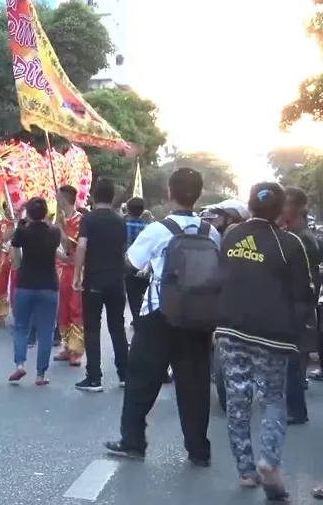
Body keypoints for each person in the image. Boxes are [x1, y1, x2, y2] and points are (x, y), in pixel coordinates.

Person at [105, 167, 219, 466]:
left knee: (142, 379)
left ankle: (133, 440)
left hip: (159, 314)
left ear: (170, 192)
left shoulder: (158, 230)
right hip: (200, 319)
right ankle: (198, 449)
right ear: (198, 194)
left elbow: (131, 261)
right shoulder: (212, 233)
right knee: (194, 385)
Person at [216, 183, 313, 500]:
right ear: (281, 208)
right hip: (272, 336)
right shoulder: (290, 244)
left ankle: (245, 471)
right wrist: (295, 333)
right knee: (272, 400)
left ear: (249, 205)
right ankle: (268, 461)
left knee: (238, 399)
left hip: (231, 330)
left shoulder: (230, 236)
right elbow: (303, 296)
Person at [73, 179, 129, 392]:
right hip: (116, 281)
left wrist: (77, 275)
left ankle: (94, 377)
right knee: (117, 328)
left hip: (94, 280)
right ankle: (124, 374)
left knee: (93, 328)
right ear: (113, 196)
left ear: (94, 196)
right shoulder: (120, 220)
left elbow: (81, 247)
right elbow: (124, 250)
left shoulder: (89, 219)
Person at [8, 197, 61, 386]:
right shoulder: (54, 232)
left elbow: (15, 261)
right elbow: (61, 250)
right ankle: (40, 375)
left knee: (21, 327)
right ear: (45, 212)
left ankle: (20, 364)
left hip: (25, 284)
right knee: (46, 330)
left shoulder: (21, 232)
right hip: (49, 285)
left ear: (28, 213)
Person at [280, 186, 318, 425]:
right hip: (298, 304)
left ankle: (296, 410)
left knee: (291, 358)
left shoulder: (301, 240)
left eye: (284, 203)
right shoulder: (298, 236)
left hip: (296, 306)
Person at [54, 185, 84, 367]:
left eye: (58, 198)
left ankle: (77, 350)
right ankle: (66, 347)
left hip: (75, 270)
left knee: (75, 310)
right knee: (62, 309)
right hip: (60, 270)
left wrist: (59, 226)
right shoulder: (61, 220)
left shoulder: (79, 221)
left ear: (64, 200)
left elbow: (69, 247)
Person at [123, 197, 151, 318]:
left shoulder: (123, 225)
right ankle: (145, 318)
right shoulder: (148, 228)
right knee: (146, 295)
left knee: (133, 298)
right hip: (145, 267)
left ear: (127, 210)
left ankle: (136, 319)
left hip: (129, 266)